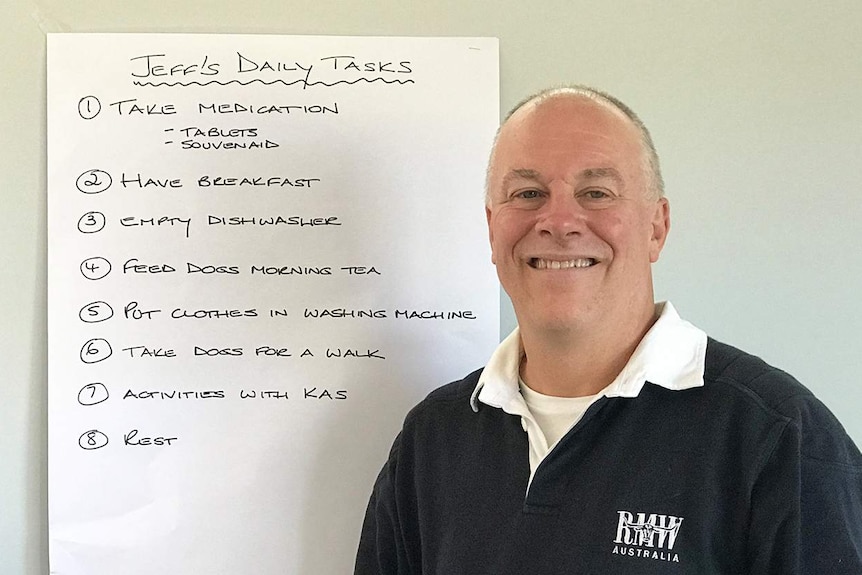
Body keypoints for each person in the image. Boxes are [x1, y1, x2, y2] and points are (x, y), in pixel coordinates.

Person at [354, 86, 862, 574]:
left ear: (656, 227)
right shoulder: (433, 438)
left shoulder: (778, 437)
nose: (559, 220)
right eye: (527, 193)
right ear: (492, 228)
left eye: (596, 192)